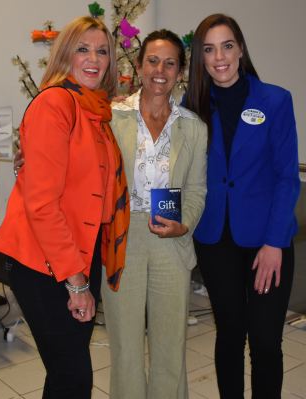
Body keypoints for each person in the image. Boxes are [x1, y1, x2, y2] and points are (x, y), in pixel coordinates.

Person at [0, 16, 129, 399]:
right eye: (82, 49)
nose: (94, 59)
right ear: (64, 54)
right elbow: (42, 206)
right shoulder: (55, 104)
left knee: (65, 372)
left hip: (81, 253)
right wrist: (77, 282)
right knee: (73, 377)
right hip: (45, 263)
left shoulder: (97, 112)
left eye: (102, 51)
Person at [184, 13, 300, 399]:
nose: (220, 57)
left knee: (265, 341)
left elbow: (287, 177)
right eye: (209, 49)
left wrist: (273, 244)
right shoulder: (192, 105)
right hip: (216, 241)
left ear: (241, 49)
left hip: (267, 240)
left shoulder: (275, 100)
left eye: (227, 46)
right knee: (230, 335)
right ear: (200, 58)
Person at [101, 29, 207, 399]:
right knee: (126, 349)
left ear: (180, 71)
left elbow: (196, 190)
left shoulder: (193, 128)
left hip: (171, 243)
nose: (160, 70)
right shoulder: (111, 118)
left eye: (170, 63)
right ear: (140, 64)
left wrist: (184, 223)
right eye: (153, 60)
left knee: (169, 348)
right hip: (122, 241)